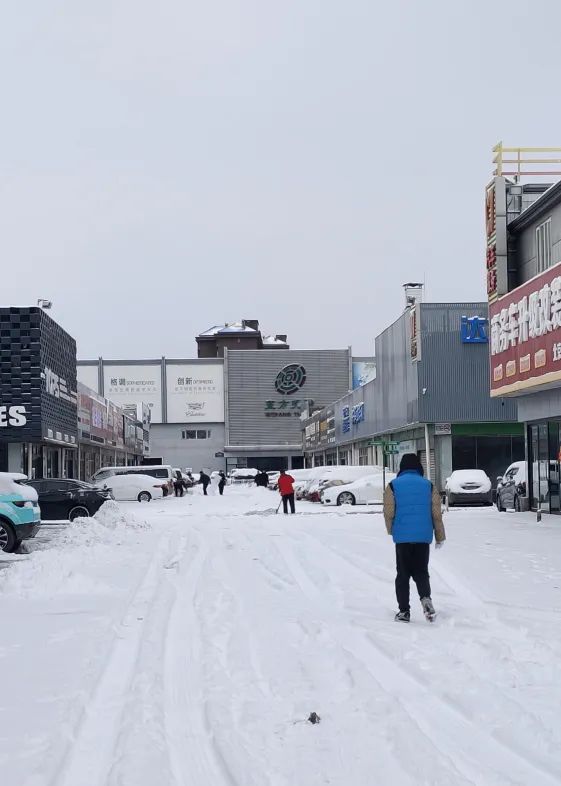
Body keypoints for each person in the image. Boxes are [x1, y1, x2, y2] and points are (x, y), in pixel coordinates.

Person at [383, 453, 446, 623]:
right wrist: (439, 536)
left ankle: (404, 611)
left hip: (402, 538)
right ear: (419, 467)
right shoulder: (428, 486)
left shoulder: (393, 486)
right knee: (421, 572)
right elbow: (436, 514)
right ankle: (425, 598)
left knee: (402, 574)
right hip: (423, 537)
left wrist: (393, 531)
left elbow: (388, 513)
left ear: (402, 467)